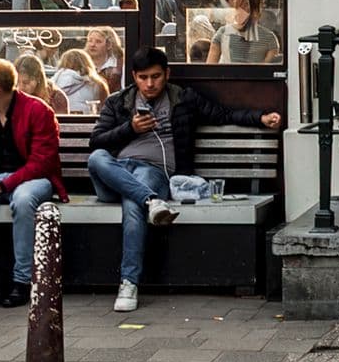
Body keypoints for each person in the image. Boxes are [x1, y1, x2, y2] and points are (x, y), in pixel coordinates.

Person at [88, 47, 282, 312]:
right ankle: (151, 200)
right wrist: (129, 129)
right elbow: (96, 141)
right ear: (133, 76)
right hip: (116, 174)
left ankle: (129, 282)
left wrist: (259, 117)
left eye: (156, 76)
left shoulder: (182, 98)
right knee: (97, 158)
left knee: (133, 204)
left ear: (167, 74)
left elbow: (222, 114)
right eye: (143, 77)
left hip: (152, 171)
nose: (150, 84)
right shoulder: (118, 102)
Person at [0, 59, 66, 307]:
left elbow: (41, 163)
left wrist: (2, 186)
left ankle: (22, 281)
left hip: (35, 179)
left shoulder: (38, 111)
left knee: (24, 200)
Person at [207, 0, 280, 64]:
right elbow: (268, 72)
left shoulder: (222, 33)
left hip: (227, 75)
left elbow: (210, 67)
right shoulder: (270, 38)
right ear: (258, 11)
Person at [53, 49, 109, 114]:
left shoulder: (53, 83)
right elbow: (105, 108)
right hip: (88, 120)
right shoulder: (98, 84)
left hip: (63, 120)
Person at [85, 27, 124, 93]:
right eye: (90, 41)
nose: (92, 45)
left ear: (109, 45)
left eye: (98, 41)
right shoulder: (82, 63)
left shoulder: (120, 64)